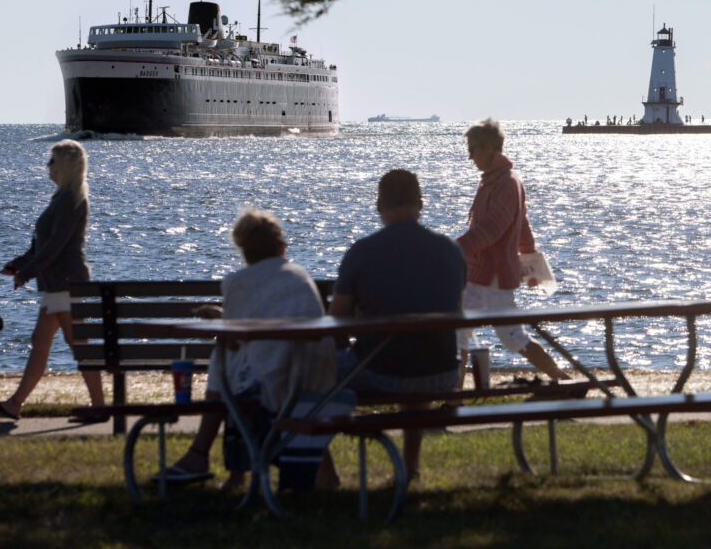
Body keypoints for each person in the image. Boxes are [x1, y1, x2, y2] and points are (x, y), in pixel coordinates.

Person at [155, 208, 335, 489]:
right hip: (320, 383)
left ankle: (203, 455)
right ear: (281, 247)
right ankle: (323, 470)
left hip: (273, 390)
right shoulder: (300, 278)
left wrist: (221, 320)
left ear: (244, 252)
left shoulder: (238, 283)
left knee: (223, 361)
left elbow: (234, 340)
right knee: (242, 364)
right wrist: (225, 318)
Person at [321, 169, 466, 481]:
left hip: (381, 372)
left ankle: (324, 469)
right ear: (421, 204)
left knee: (305, 368)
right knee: (416, 355)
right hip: (442, 373)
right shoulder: (450, 251)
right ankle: (410, 467)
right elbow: (455, 312)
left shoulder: (362, 252)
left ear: (378, 206)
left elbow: (335, 322)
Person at [0, 140, 104, 421]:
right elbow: (41, 247)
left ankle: (100, 407)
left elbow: (55, 247)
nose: (47, 167)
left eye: (52, 161)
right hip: (56, 284)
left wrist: (25, 274)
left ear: (64, 165)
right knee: (41, 341)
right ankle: (15, 404)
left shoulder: (71, 200)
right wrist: (18, 264)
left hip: (65, 283)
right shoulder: (62, 198)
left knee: (78, 343)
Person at [456, 118, 568, 383]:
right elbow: (523, 223)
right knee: (493, 334)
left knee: (478, 333)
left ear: (490, 148)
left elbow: (491, 230)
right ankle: (560, 377)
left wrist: (452, 248)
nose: (470, 157)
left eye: (473, 150)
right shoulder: (497, 180)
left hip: (491, 275)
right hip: (486, 273)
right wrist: (528, 252)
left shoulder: (505, 183)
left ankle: (454, 397)